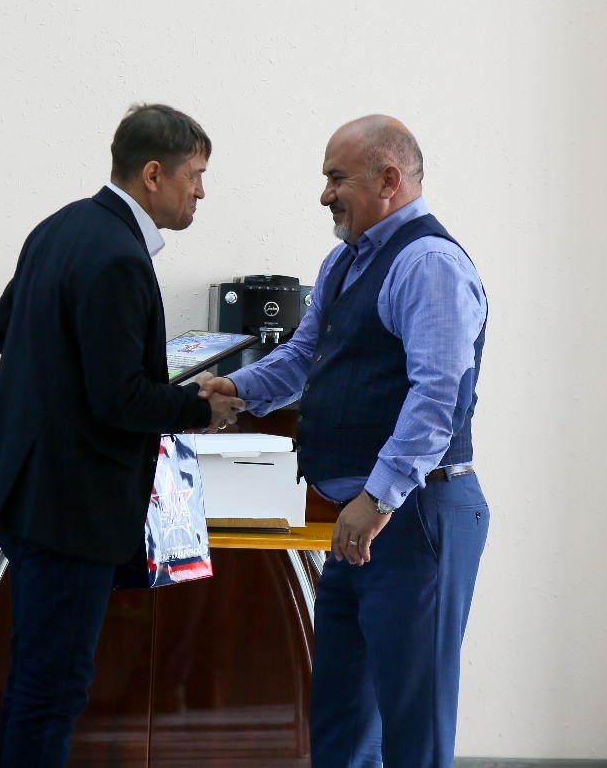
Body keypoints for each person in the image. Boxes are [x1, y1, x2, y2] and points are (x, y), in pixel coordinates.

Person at [200, 114, 489, 767]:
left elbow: (438, 396)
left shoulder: (430, 264)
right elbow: (303, 356)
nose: (324, 194)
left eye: (337, 178)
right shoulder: (344, 262)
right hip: (361, 520)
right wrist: (235, 390)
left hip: (413, 517)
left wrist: (378, 498)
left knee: (413, 733)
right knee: (340, 722)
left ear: (389, 180)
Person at [0, 103, 245, 767]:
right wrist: (200, 408)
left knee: (37, 681)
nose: (202, 191)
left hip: (25, 490)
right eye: (196, 175)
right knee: (53, 689)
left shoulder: (61, 226)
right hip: (70, 505)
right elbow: (118, 399)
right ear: (154, 174)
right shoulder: (119, 257)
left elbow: (4, 331)